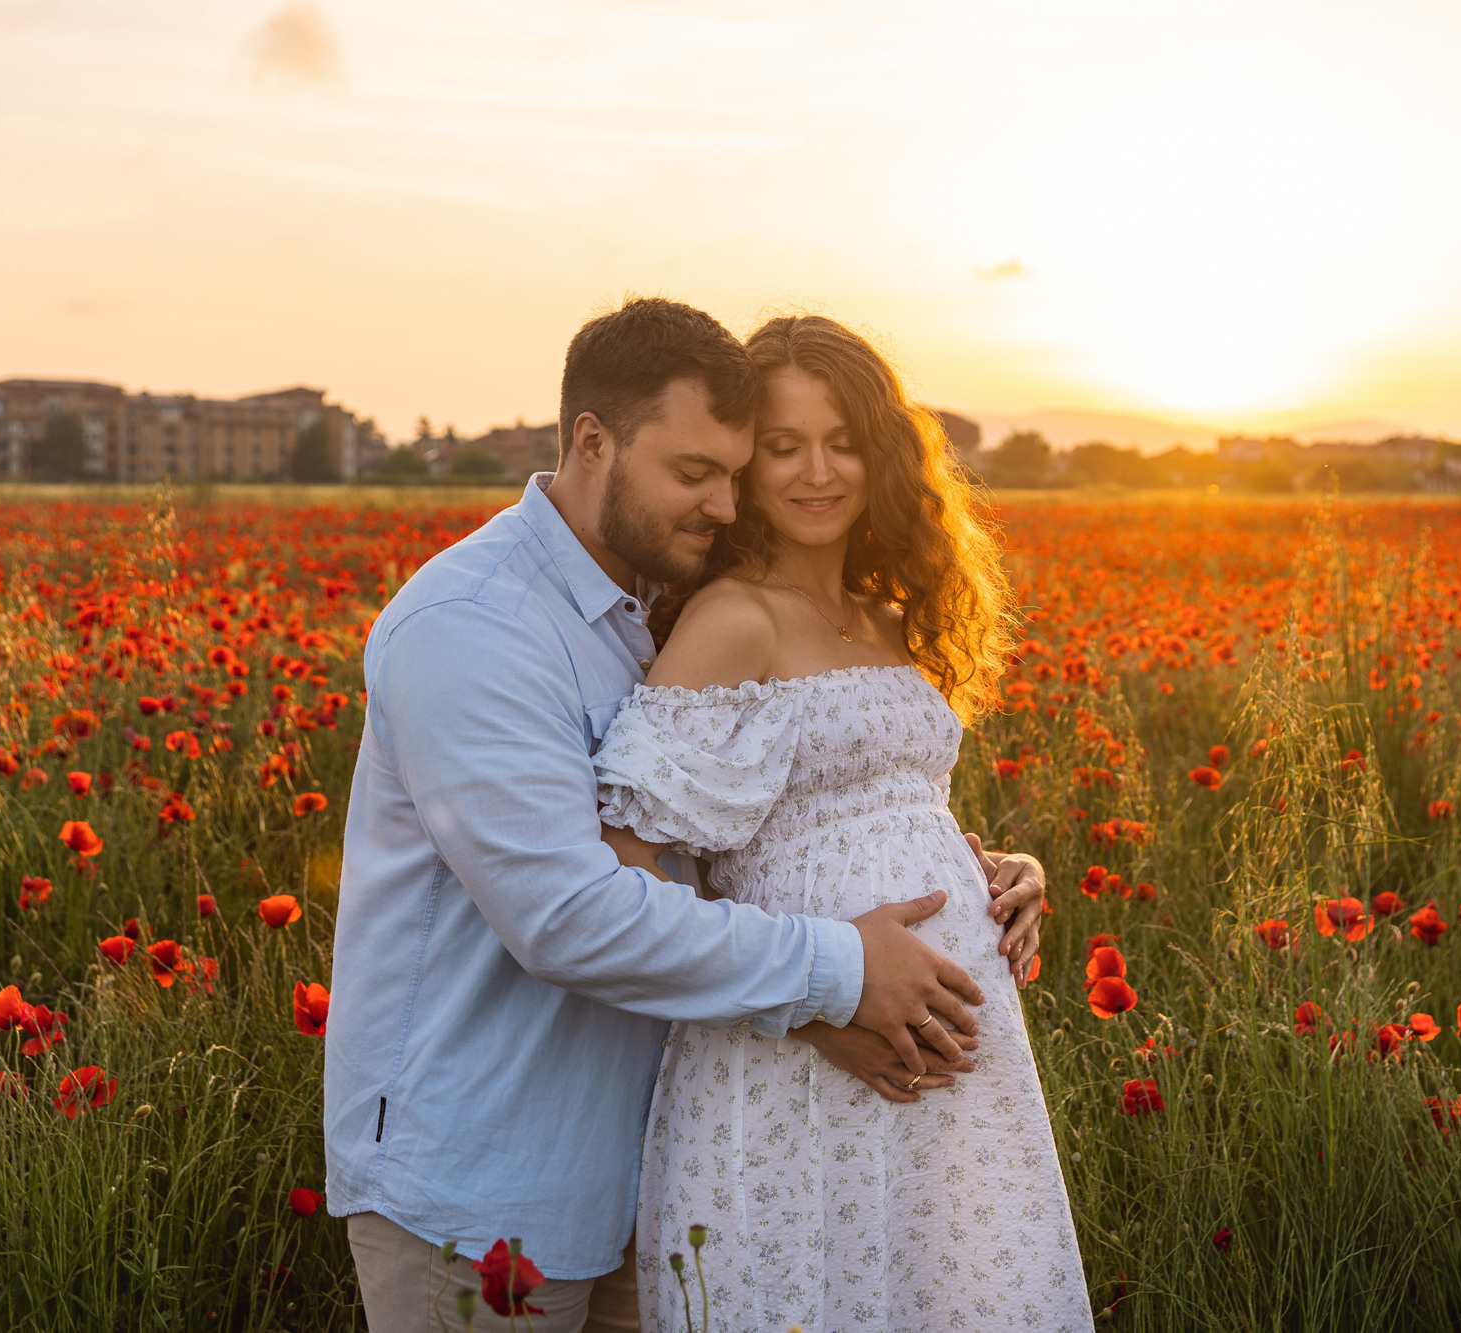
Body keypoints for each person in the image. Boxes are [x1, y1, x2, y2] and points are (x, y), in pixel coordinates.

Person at [324, 298, 1048, 1332]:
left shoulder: (642, 601)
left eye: (729, 469)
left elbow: (733, 841)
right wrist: (834, 980)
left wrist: (977, 868)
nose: (722, 501)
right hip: (485, 1170)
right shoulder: (475, 630)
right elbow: (570, 914)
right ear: (591, 443)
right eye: (694, 472)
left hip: (659, 1143)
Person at [595, 314, 1094, 1331]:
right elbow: (626, 871)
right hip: (795, 1055)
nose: (816, 471)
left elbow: (895, 811)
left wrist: (1005, 870)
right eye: (782, 447)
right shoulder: (734, 617)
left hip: (947, 1062)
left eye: (842, 441)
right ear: (743, 464)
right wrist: (815, 1005)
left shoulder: (889, 615)